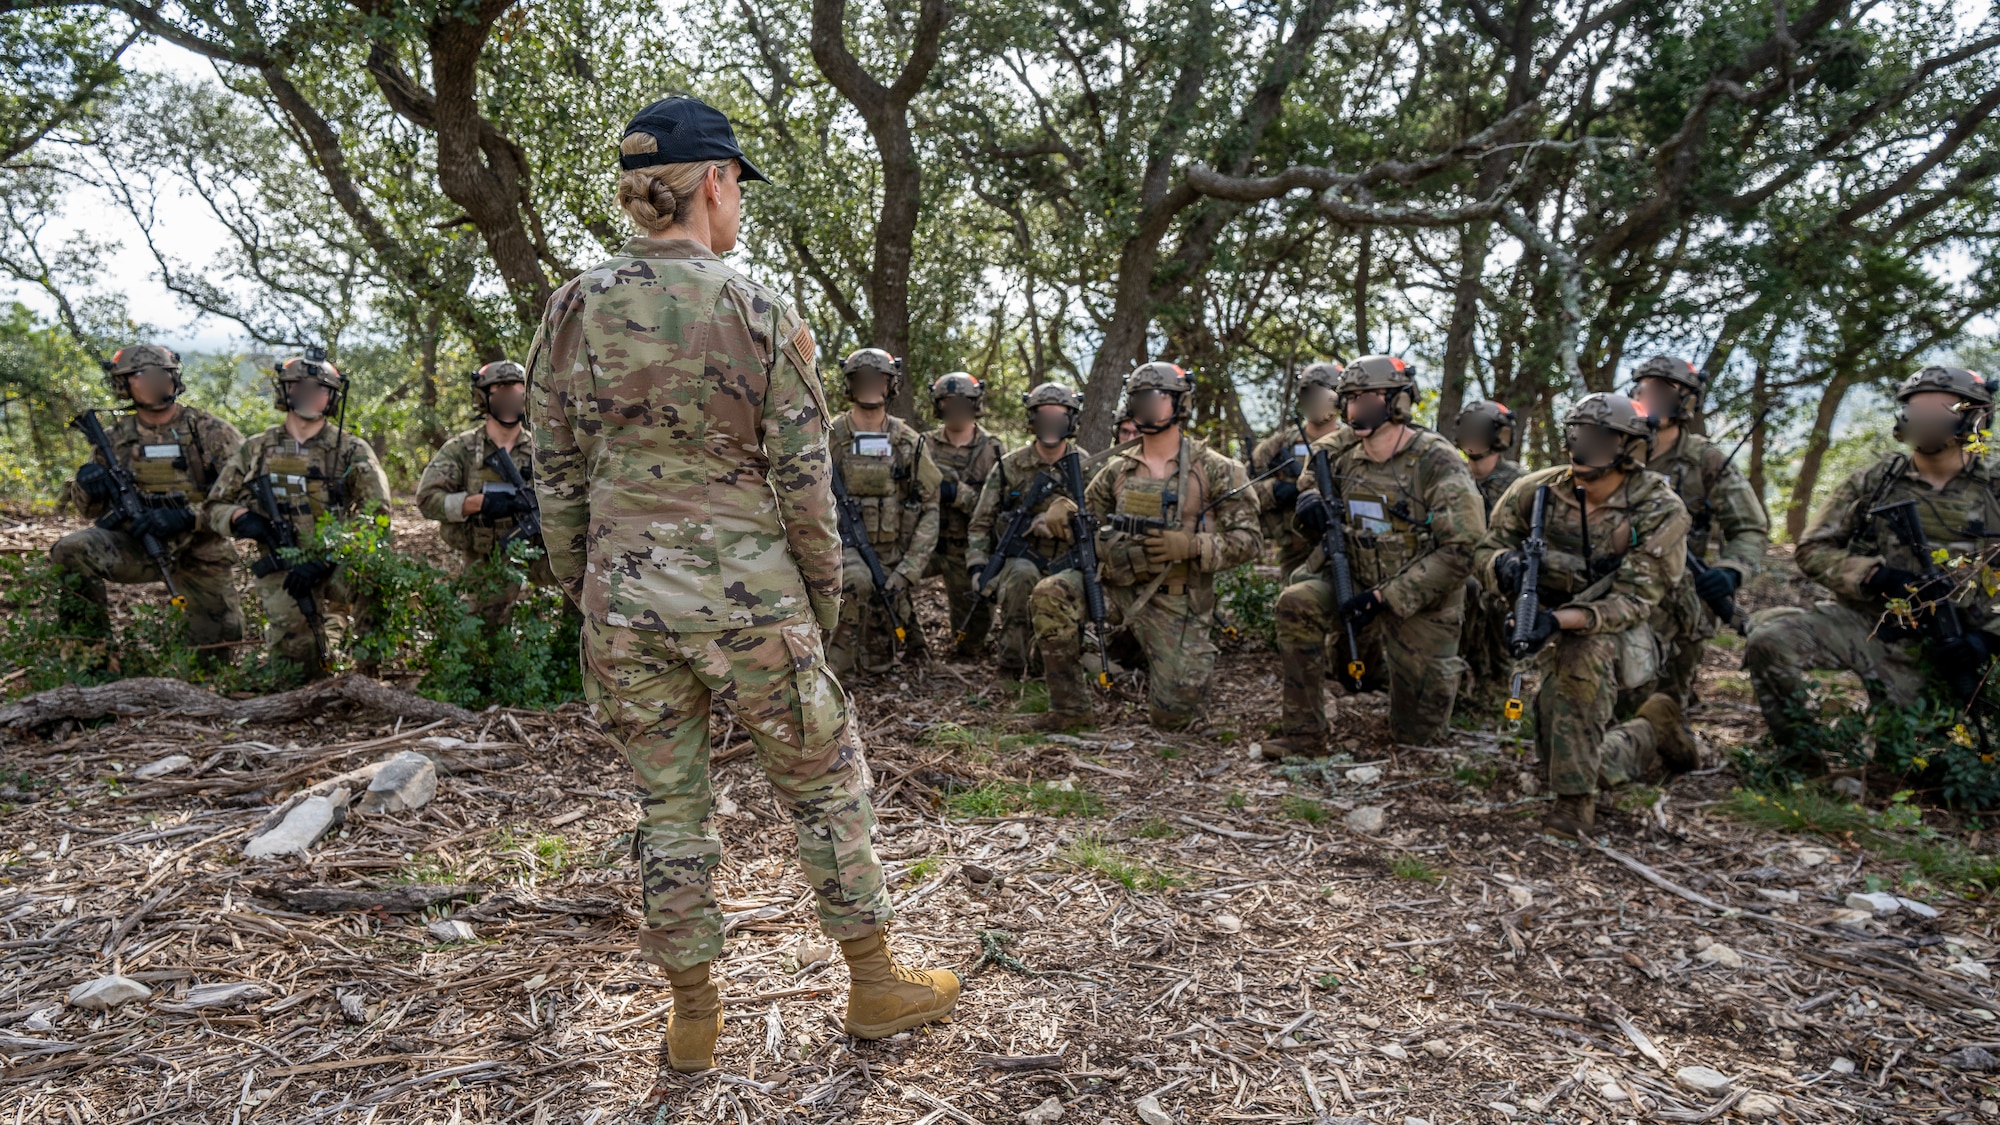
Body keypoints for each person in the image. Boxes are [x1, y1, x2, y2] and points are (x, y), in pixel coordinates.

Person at [528, 95, 955, 1074]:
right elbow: (807, 480)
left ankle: (691, 1015)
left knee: (668, 809)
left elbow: (551, 466)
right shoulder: (757, 310)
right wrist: (820, 595)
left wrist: (581, 581)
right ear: (713, 183)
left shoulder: (575, 304)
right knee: (824, 789)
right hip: (748, 596)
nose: (738, 210)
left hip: (623, 603)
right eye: (737, 190)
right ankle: (875, 982)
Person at [1744, 366, 2000, 761]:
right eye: (1917, 409)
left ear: (1975, 417)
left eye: (1941, 409)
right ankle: (1805, 762)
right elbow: (1813, 549)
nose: (1926, 420)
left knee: (1921, 760)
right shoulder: (1873, 483)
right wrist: (1875, 576)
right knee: (1772, 639)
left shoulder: (1994, 488)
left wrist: (1987, 639)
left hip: (1963, 644)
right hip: (1873, 627)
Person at [1474, 393, 1697, 839]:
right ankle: (1651, 727)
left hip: (1633, 627)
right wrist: (1503, 568)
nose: (1586, 446)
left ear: (1630, 447)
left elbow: (1636, 601)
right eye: (1578, 434)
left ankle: (1574, 806)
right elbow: (1485, 548)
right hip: (1555, 618)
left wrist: (1557, 623)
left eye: (1602, 438)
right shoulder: (1535, 490)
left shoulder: (1658, 507)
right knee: (1558, 751)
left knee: (1581, 661)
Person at [1268, 357, 1485, 755]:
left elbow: (1463, 549)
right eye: (1349, 398)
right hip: (1354, 576)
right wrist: (1310, 503)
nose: (1355, 408)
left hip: (1422, 600)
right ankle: (1303, 733)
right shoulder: (1338, 451)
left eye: (1367, 397)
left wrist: (1388, 598)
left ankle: (1466, 682)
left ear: (1398, 401)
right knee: (1296, 603)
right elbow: (1311, 482)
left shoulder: (1436, 459)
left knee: (1417, 737)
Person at [1028, 362, 1261, 729]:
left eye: (1159, 397)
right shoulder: (1117, 469)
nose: (1149, 405)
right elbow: (1085, 520)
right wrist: (1062, 513)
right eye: (1140, 398)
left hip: (1176, 601)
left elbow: (1250, 542)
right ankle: (1069, 709)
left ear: (1181, 403)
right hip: (1115, 588)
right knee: (1051, 592)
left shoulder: (1216, 469)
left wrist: (1192, 546)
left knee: (1174, 720)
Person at [205, 350, 389, 678]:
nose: (308, 395)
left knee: (375, 582)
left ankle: (365, 671)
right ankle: (330, 630)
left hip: (338, 561)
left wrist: (333, 555)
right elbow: (214, 506)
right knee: (296, 668)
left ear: (331, 397)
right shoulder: (257, 448)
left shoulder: (351, 449)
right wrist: (241, 518)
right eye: (299, 386)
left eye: (319, 389)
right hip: (283, 563)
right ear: (285, 391)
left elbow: (378, 517)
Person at [51, 344, 244, 652]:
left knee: (214, 652)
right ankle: (92, 655)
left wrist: (186, 516)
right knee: (71, 550)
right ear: (124, 384)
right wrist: (89, 484)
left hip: (200, 550)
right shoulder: (114, 438)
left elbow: (243, 497)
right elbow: (89, 511)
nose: (156, 380)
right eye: (143, 374)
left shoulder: (210, 432)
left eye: (162, 373)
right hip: (138, 546)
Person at [1630, 356, 1769, 705]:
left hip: (1680, 594)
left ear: (1687, 400)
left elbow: (1749, 528)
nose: (1652, 398)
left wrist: (1731, 570)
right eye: (1646, 389)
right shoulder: (1616, 448)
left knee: (1662, 700)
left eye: (1664, 391)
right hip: (1617, 583)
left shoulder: (1704, 460)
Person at [826, 348, 944, 676]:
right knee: (858, 581)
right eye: (861, 378)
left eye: (878, 379)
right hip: (844, 548)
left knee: (880, 657)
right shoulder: (832, 437)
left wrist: (909, 569)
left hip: (894, 552)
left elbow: (931, 508)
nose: (870, 386)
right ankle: (837, 675)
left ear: (891, 384)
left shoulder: (909, 442)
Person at [415, 360, 551, 622]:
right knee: (482, 631)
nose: (510, 399)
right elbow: (427, 500)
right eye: (501, 391)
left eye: (517, 391)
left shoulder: (545, 449)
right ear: (482, 397)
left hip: (539, 557)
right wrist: (479, 503)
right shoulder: (461, 449)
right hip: (485, 561)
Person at [965, 382, 1084, 679]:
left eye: (1059, 415)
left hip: (1071, 560)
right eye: (1043, 415)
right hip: (1021, 559)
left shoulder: (1087, 466)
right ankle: (1012, 666)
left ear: (1071, 419)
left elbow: (1101, 519)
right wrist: (978, 567)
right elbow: (981, 522)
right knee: (1020, 577)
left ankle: (1051, 670)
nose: (1051, 422)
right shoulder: (1010, 466)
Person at [923, 372, 1006, 658]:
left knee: (970, 645)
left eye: (963, 402)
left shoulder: (993, 449)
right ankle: (911, 643)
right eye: (948, 402)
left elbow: (996, 507)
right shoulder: (923, 445)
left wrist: (958, 494)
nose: (955, 408)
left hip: (967, 551)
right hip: (926, 544)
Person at [1452, 399, 1527, 687]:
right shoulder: (1451, 474)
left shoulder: (1520, 483)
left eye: (1481, 430)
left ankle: (1497, 680)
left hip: (1500, 568)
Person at [1249, 362, 1348, 577]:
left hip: (1345, 545)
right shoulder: (1279, 445)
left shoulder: (1352, 445)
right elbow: (1243, 492)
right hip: (1295, 549)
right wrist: (1276, 490)